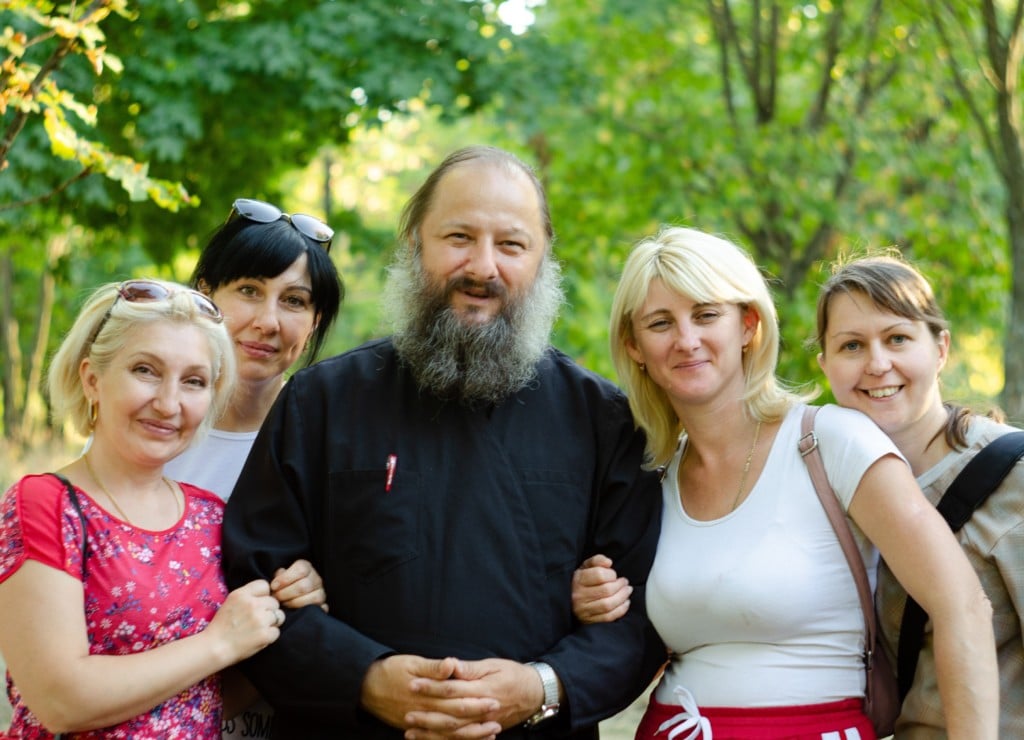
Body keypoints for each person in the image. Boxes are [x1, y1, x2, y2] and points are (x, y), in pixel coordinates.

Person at [221, 145, 666, 739]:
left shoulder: (603, 420)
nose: (483, 267)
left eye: (511, 245)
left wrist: (541, 687)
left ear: (542, 260)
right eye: (459, 237)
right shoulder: (321, 402)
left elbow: (640, 618)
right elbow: (253, 585)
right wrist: (363, 678)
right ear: (415, 244)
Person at [569, 227, 997, 739]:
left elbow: (962, 606)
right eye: (660, 323)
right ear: (634, 345)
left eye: (706, 315)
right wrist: (595, 599)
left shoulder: (831, 440)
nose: (686, 340)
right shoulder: (652, 478)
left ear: (748, 325)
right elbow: (649, 632)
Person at [0, 279, 285, 738]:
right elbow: (60, 701)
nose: (169, 403)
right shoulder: (46, 505)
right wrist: (219, 643)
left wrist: (288, 603)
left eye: (193, 381)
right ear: (92, 379)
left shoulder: (212, 517)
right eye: (146, 370)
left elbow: (209, 698)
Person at [814, 254, 1024, 738]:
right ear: (825, 364)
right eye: (851, 345)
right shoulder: (826, 491)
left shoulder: (1014, 480)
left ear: (940, 348)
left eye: (897, 339)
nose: (877, 364)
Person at [163, 197, 344, 739]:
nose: (268, 321)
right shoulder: (152, 431)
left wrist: (327, 584)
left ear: (314, 322)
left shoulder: (333, 445)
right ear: (205, 294)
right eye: (248, 290)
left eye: (294, 301)